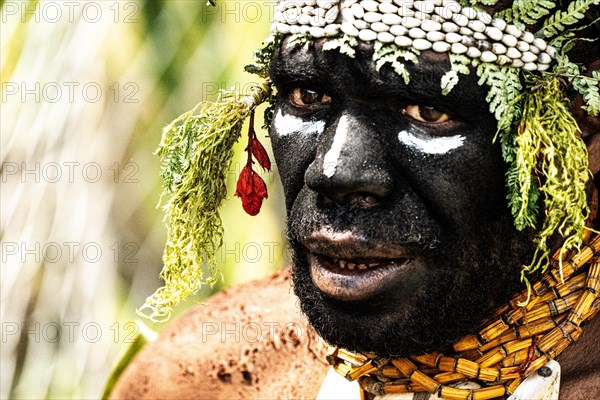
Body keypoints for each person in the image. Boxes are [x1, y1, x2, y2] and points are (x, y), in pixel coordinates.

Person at [108, 0, 599, 398]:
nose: (335, 171)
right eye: (306, 96)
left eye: (428, 110)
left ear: (584, 134)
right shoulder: (202, 377)